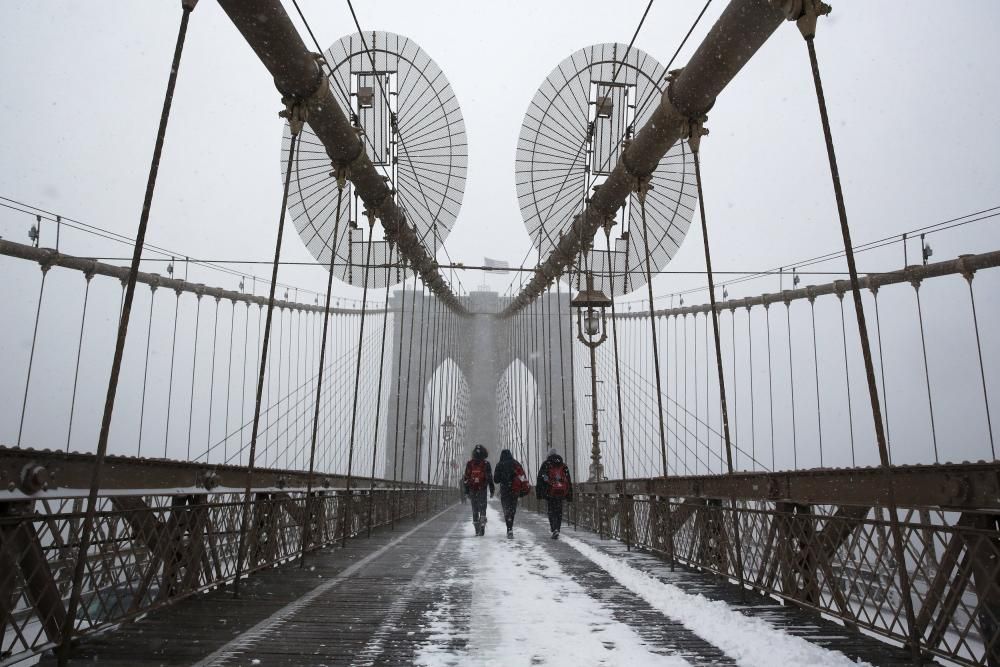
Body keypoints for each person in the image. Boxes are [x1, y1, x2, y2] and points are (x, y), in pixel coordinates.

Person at [492, 448, 530, 538]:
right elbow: (522, 477)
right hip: (515, 490)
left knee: (506, 509)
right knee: (512, 509)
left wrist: (503, 477)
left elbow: (496, 480)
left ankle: (509, 528)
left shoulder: (500, 464)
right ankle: (510, 527)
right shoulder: (516, 464)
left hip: (505, 490)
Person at [536, 447, 573, 539]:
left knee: (551, 511)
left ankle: (554, 529)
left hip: (550, 492)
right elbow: (568, 480)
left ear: (548, 455)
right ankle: (557, 528)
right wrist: (569, 495)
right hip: (561, 492)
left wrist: (539, 493)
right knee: (559, 511)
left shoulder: (546, 464)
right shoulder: (563, 465)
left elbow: (540, 479)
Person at [462, 444, 494, 536]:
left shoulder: (470, 464)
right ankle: (482, 526)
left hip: (473, 489)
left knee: (475, 509)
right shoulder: (486, 464)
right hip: (482, 489)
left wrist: (466, 490)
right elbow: (490, 478)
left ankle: (477, 529)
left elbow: (466, 478)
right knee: (483, 508)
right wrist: (491, 489)